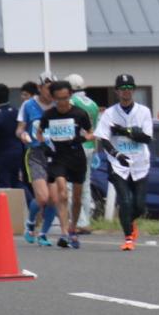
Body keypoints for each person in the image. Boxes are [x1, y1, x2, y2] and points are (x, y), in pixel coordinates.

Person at [94, 74, 154, 252]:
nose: (126, 92)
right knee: (125, 201)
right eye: (122, 89)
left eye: (129, 89)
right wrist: (116, 153)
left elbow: (146, 138)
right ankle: (128, 237)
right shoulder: (109, 113)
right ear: (117, 91)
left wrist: (124, 130)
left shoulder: (143, 111)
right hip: (118, 163)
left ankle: (130, 221)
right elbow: (103, 138)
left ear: (134, 90)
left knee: (139, 205)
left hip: (139, 162)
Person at [40, 80, 94, 249]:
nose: (62, 102)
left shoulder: (79, 114)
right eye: (58, 99)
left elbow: (92, 133)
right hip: (58, 157)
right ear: (53, 98)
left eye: (65, 98)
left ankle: (72, 229)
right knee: (63, 193)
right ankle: (64, 233)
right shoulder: (49, 115)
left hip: (77, 157)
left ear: (70, 95)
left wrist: (81, 139)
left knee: (77, 199)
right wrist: (44, 143)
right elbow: (39, 132)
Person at [16, 73, 58, 245]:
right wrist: (23, 135)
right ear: (40, 88)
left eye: (54, 88)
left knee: (54, 198)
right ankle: (31, 222)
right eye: (48, 88)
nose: (51, 92)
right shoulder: (28, 105)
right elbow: (19, 129)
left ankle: (43, 234)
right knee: (42, 197)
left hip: (56, 154)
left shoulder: (59, 104)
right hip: (35, 153)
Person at [67, 74, 100, 233]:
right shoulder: (93, 104)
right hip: (90, 146)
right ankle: (86, 220)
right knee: (85, 184)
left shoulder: (72, 102)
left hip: (77, 146)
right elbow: (96, 128)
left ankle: (79, 221)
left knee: (71, 185)